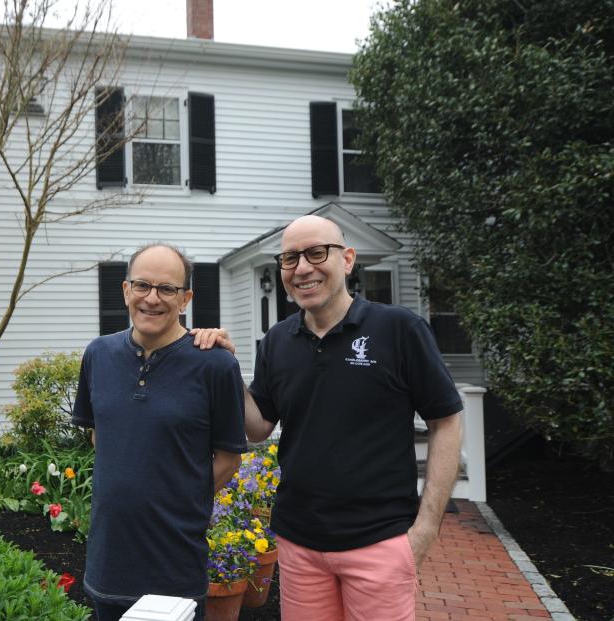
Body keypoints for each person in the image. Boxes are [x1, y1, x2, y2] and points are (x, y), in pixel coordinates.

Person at [192, 215, 463, 621]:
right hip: (301, 545)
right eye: (289, 258)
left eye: (316, 253)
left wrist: (426, 528)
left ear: (348, 259)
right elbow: (258, 427)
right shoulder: (277, 342)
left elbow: (447, 422)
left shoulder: (398, 330)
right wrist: (227, 367)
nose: (302, 268)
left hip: (380, 543)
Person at [71, 243, 247, 621]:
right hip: (109, 562)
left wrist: (178, 499)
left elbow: (229, 460)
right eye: (142, 286)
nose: (152, 298)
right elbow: (100, 435)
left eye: (167, 289)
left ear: (185, 299)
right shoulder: (97, 356)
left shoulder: (215, 366)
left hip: (175, 565)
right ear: (125, 291)